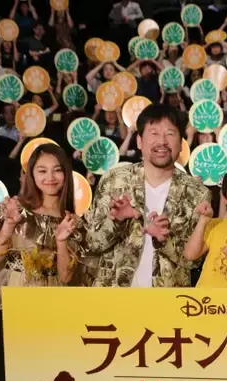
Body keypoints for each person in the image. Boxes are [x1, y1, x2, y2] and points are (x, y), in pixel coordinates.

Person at [0, 144, 87, 319]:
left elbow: (67, 277)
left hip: (53, 300)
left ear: (66, 174)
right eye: (42, 171)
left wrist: (61, 242)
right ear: (31, 174)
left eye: (57, 170)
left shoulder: (72, 221)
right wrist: (9, 225)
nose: (50, 177)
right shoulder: (15, 209)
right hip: (15, 293)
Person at [86, 103, 210, 287]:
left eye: (170, 134)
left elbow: (194, 261)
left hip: (166, 299)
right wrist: (116, 222)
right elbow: (93, 244)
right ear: (139, 141)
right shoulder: (114, 181)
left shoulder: (197, 193)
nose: (162, 141)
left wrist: (165, 239)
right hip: (115, 295)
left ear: (181, 144)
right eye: (154, 133)